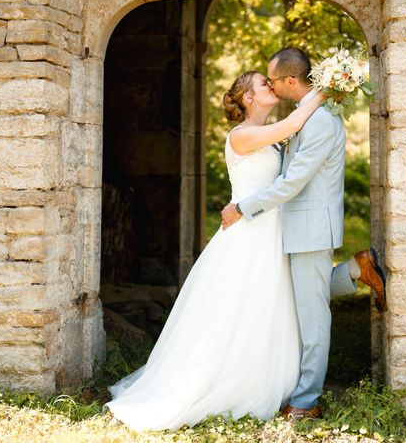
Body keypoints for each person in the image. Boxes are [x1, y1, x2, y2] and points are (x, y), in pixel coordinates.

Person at [103, 71, 326, 431]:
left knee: (268, 303)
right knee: (236, 307)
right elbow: (296, 119)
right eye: (263, 84)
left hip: (269, 228)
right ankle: (226, 381)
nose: (271, 87)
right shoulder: (242, 136)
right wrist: (331, 85)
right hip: (247, 232)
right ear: (248, 99)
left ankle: (269, 373)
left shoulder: (267, 137)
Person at [221, 48, 386, 420]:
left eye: (273, 81)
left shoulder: (322, 122)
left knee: (312, 316)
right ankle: (358, 270)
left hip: (310, 227)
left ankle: (306, 401)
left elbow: (292, 182)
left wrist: (244, 208)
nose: (272, 87)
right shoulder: (303, 118)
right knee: (292, 296)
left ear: (289, 81)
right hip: (289, 226)